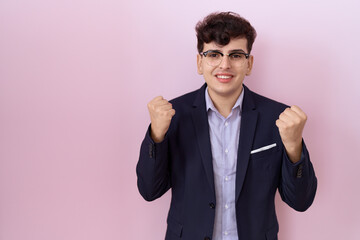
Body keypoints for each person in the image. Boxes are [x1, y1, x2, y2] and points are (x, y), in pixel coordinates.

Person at [136, 12, 317, 240]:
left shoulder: (279, 118)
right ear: (199, 62)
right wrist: (156, 136)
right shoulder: (172, 115)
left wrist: (294, 147)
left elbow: (301, 201)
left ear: (249, 64)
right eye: (214, 54)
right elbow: (149, 191)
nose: (225, 64)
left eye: (236, 55)